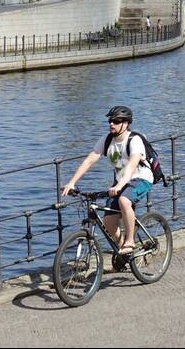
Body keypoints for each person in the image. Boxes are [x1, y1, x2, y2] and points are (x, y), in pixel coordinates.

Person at [61, 105, 153, 255]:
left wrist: (121, 185)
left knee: (124, 200)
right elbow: (89, 160)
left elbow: (131, 165)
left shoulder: (134, 140)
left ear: (126, 123)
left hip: (141, 178)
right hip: (120, 181)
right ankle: (123, 248)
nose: (111, 124)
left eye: (116, 121)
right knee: (108, 222)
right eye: (110, 120)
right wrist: (72, 182)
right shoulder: (107, 140)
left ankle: (130, 241)